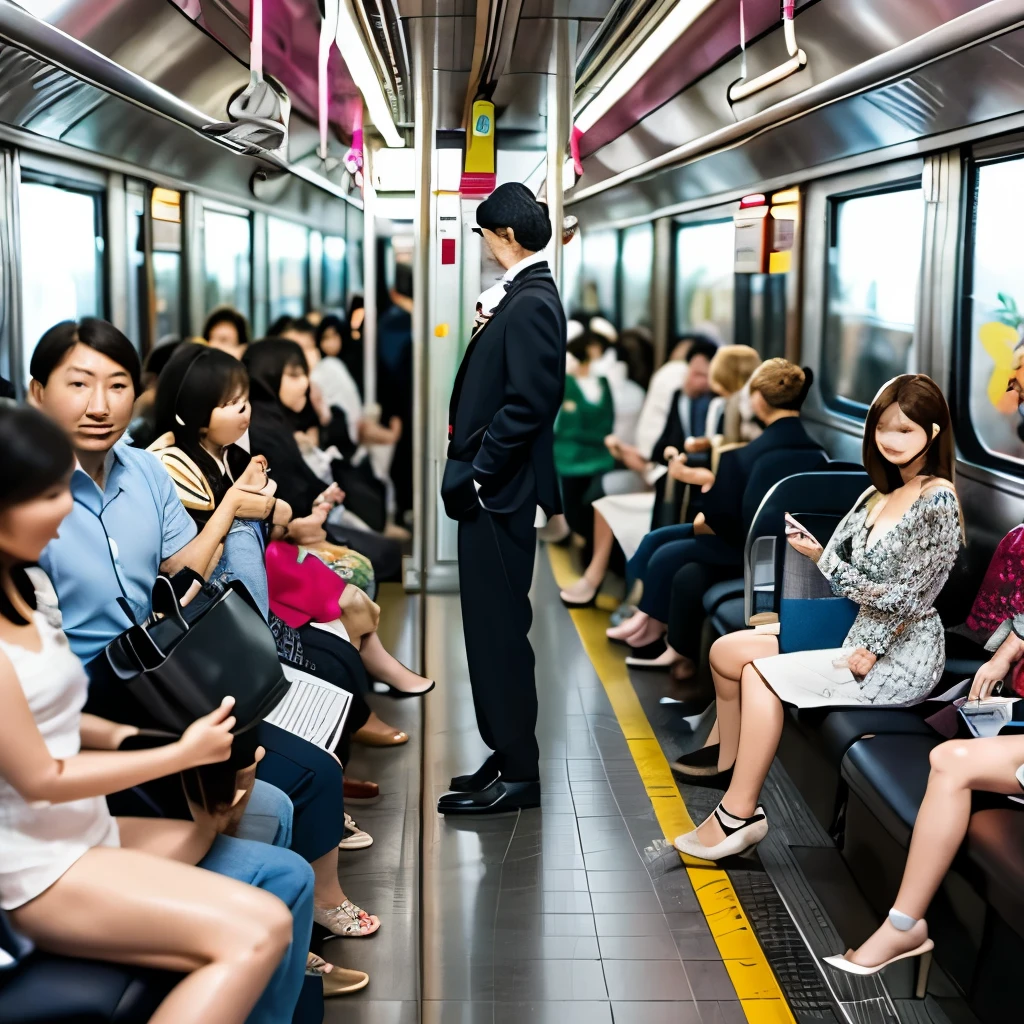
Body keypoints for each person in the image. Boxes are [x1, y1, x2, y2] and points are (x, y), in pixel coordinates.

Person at [25, 319, 378, 948]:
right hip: (90, 696)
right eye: (78, 384)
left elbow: (183, 576)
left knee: (300, 768)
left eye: (116, 385)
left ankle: (275, 934)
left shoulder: (145, 473)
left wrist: (233, 512)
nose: (99, 405)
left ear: (140, 393)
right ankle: (247, 935)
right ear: (36, 393)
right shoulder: (26, 502)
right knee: (261, 802)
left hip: (163, 674)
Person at [0, 403, 311, 1024]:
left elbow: (54, 720)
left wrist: (148, 737)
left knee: (217, 827)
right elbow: (40, 776)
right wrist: (176, 753)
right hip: (34, 867)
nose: (65, 509)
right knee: (257, 930)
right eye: (46, 495)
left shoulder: (25, 588)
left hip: (80, 832)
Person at [673, 374, 962, 860]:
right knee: (735, 655)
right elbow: (842, 564)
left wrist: (825, 565)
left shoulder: (938, 500)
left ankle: (737, 815)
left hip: (900, 655)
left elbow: (909, 599)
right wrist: (812, 560)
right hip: (856, 631)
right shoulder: (877, 494)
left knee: (760, 675)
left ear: (932, 435)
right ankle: (731, 779)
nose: (890, 441)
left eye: (905, 431)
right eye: (882, 429)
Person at [438, 181, 565, 815]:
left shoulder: (534, 302)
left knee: (500, 633)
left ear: (506, 236)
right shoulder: (523, 297)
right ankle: (505, 751)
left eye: (486, 235)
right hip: (498, 491)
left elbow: (531, 403)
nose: (485, 247)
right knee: (492, 630)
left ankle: (519, 770)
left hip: (500, 495)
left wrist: (483, 472)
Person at [616, 359, 821, 676]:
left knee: (666, 552)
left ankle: (655, 630)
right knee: (667, 548)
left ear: (757, 399)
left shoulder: (739, 458)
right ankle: (652, 626)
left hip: (747, 551)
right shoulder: (818, 455)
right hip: (795, 551)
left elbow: (718, 523)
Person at [560, 343, 758, 609]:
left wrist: (675, 463)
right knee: (602, 498)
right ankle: (601, 580)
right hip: (668, 476)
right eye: (692, 372)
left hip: (682, 489)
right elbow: (663, 444)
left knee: (635, 523)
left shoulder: (720, 410)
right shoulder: (681, 397)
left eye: (702, 375)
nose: (693, 379)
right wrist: (651, 456)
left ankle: (629, 597)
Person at [555, 331, 616, 554]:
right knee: (573, 508)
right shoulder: (566, 383)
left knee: (595, 505)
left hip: (599, 458)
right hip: (570, 458)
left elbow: (608, 421)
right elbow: (565, 427)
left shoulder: (603, 383)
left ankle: (592, 551)